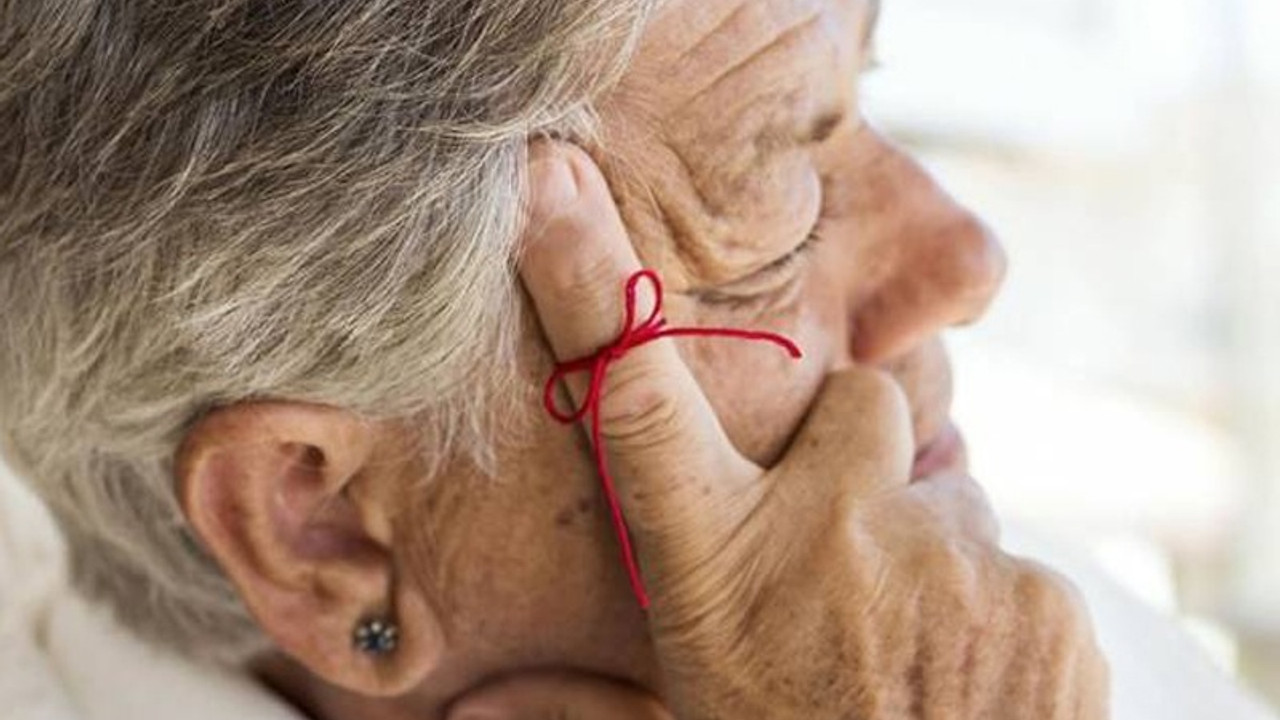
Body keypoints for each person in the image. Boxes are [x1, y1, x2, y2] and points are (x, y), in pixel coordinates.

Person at [0, 0, 1273, 718]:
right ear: (321, 526)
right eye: (774, 203)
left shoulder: (976, 623)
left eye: (869, 88)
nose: (962, 258)